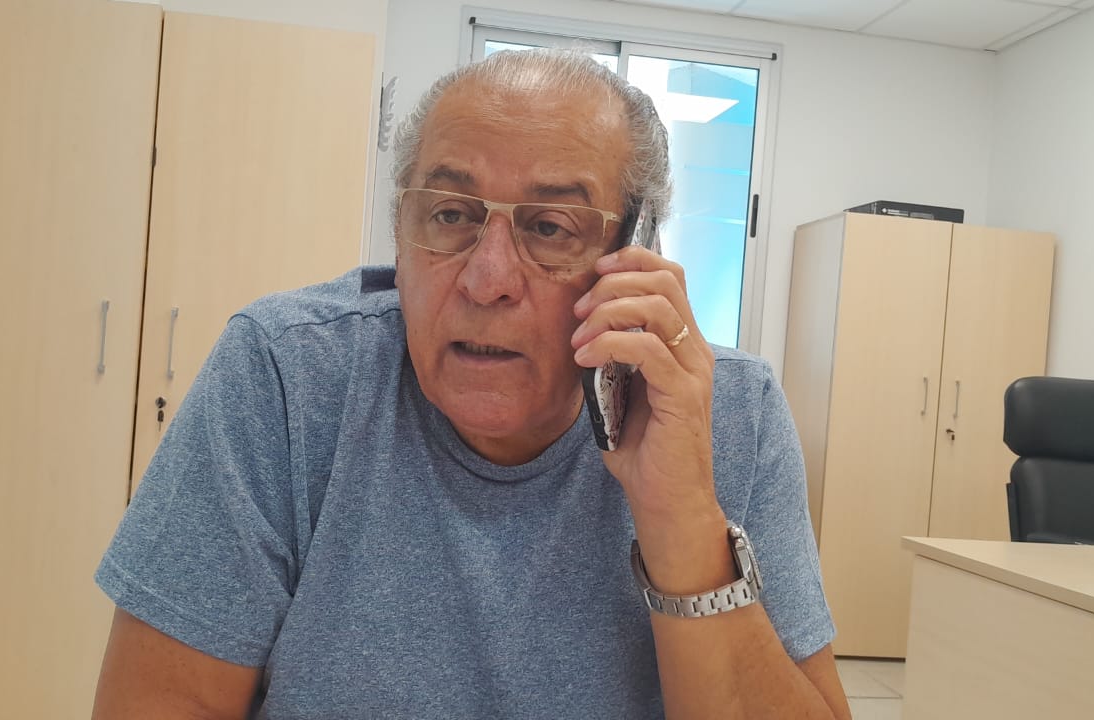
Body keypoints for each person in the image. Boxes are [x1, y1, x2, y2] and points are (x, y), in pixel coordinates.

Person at [91, 49, 850, 719]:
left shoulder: (730, 414)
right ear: (400, 233)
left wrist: (683, 520)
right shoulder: (288, 376)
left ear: (635, 252)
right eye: (451, 215)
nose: (487, 280)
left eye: (550, 227)